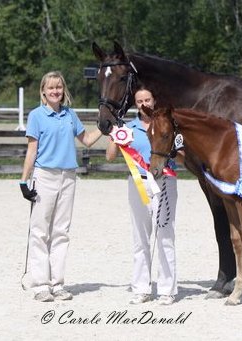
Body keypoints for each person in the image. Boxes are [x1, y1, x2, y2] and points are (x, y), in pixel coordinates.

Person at [20, 71, 103, 302]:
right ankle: (40, 285)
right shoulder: (37, 115)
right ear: (43, 91)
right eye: (51, 88)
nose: (55, 91)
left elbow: (86, 140)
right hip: (44, 175)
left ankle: (57, 284)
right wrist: (24, 180)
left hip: (68, 176)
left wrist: (105, 128)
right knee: (40, 232)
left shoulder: (70, 114)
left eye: (59, 87)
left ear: (63, 90)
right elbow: (32, 150)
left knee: (61, 232)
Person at [106, 86, 182, 305]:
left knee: (165, 235)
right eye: (139, 101)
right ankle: (141, 287)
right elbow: (110, 156)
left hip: (165, 181)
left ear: (154, 100)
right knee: (140, 237)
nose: (144, 104)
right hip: (138, 182)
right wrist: (114, 133)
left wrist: (176, 151)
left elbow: (183, 157)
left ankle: (167, 290)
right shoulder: (128, 128)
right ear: (135, 104)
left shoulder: (169, 125)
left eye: (147, 99)